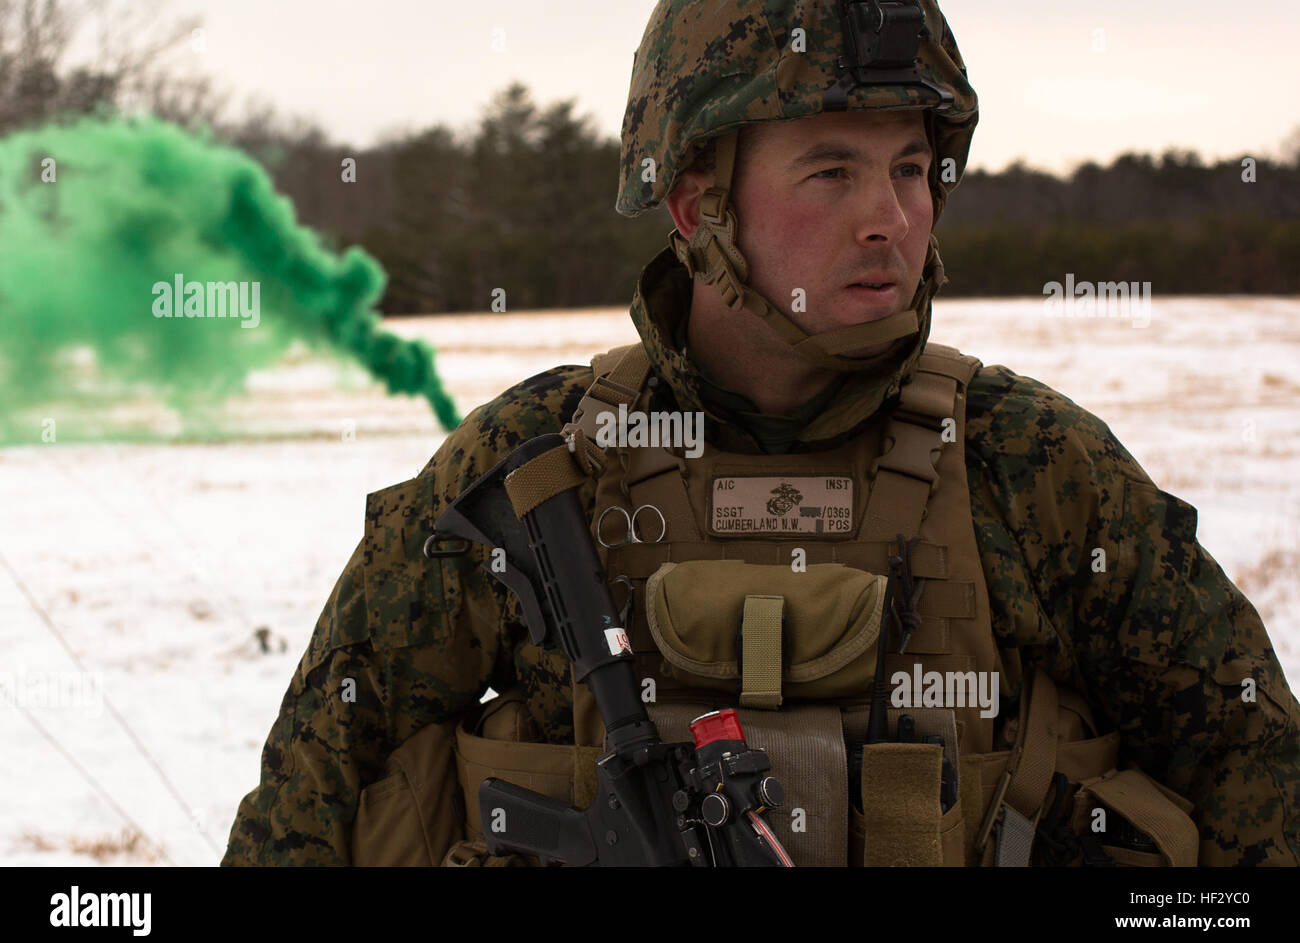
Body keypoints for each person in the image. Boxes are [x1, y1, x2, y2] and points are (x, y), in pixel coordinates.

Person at [222, 0, 1299, 867]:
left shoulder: (1034, 466)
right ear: (697, 207)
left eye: (911, 169)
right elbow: (319, 775)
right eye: (831, 171)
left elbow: (1254, 764)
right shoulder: (531, 467)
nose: (890, 216)